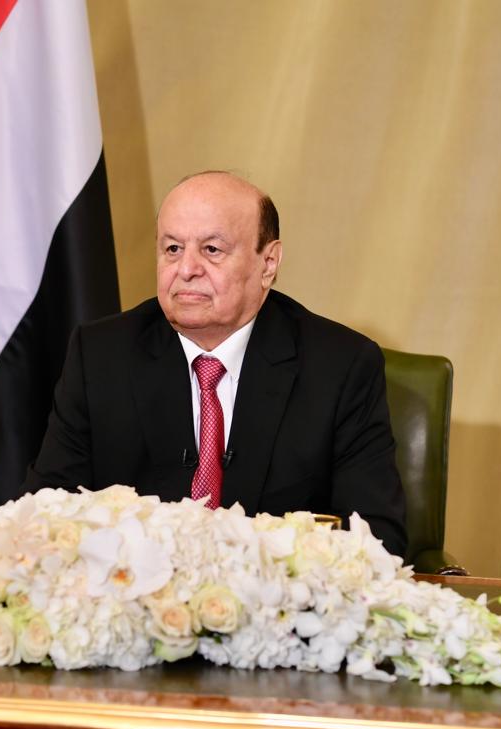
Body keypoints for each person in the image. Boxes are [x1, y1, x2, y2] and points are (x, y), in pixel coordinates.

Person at [23, 171, 407, 556]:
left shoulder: (340, 367)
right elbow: (46, 515)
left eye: (211, 249)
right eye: (173, 248)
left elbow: (376, 537)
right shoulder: (101, 355)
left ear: (268, 263)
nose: (186, 269)